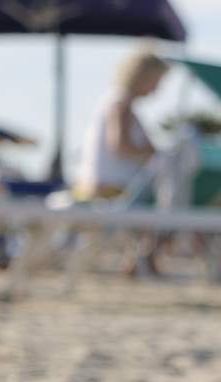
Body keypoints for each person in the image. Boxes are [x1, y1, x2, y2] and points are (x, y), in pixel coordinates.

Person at [73, 48, 168, 276]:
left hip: (104, 183)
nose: (158, 88)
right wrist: (153, 153)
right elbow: (121, 146)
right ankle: (143, 263)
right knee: (168, 203)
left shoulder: (116, 102)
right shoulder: (121, 104)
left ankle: (141, 262)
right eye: (156, 81)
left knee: (160, 202)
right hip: (110, 186)